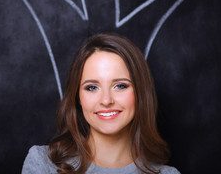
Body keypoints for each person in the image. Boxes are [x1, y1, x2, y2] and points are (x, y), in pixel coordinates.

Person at [22, 33, 180, 174]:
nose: (106, 100)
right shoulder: (43, 164)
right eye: (92, 87)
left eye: (120, 86)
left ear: (140, 93)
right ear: (77, 97)